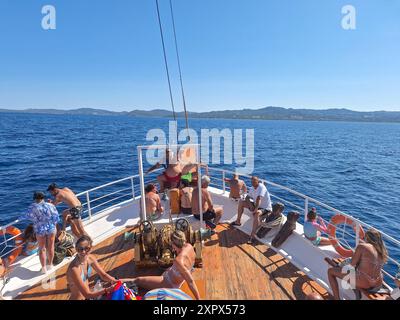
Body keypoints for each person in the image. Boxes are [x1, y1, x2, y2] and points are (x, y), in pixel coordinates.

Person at [120, 230, 201, 300]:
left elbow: (190, 281)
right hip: (175, 278)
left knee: (137, 280)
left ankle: (116, 281)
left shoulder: (178, 260)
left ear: (173, 243)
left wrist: (198, 299)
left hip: (168, 283)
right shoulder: (189, 246)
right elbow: (188, 266)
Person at [325, 228, 388, 300]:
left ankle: (337, 298)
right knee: (354, 273)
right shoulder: (382, 251)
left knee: (331, 271)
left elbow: (352, 264)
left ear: (367, 237)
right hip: (377, 284)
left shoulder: (362, 246)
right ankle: (356, 290)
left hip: (364, 282)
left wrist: (339, 266)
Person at [66, 235, 117, 300]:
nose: (83, 252)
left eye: (86, 248)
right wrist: (107, 290)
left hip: (89, 296)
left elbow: (103, 275)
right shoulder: (74, 269)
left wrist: (117, 281)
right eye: (80, 249)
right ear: (76, 249)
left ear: (91, 247)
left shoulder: (90, 258)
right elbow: (87, 294)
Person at [20, 191, 59, 273]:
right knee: (51, 247)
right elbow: (56, 218)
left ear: (35, 199)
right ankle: (50, 264)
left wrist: (20, 217)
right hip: (51, 228)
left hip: (40, 229)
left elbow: (26, 216)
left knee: (42, 249)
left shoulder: (32, 207)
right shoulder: (51, 205)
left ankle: (44, 268)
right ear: (43, 198)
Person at [231, 176, 272, 244]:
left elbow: (259, 199)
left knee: (257, 214)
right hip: (256, 205)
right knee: (241, 202)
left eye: (254, 181)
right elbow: (247, 197)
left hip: (265, 208)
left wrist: (255, 209)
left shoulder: (262, 187)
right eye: (252, 181)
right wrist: (250, 205)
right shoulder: (252, 188)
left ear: (258, 181)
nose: (253, 183)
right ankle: (238, 221)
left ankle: (252, 235)